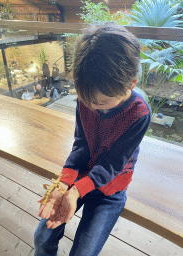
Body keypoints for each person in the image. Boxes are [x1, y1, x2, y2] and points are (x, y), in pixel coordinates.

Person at [34, 24, 151, 256]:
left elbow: (113, 163)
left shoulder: (139, 113)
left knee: (83, 252)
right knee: (41, 238)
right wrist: (64, 183)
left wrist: (77, 192)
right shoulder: (86, 97)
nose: (92, 107)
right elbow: (81, 142)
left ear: (130, 85)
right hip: (80, 176)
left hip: (111, 188)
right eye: (86, 100)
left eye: (101, 103)